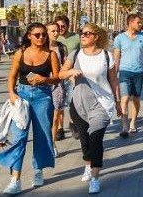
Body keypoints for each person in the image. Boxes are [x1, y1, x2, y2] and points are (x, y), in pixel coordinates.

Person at [0, 22, 60, 195]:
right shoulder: (20, 53)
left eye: (44, 34)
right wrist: (12, 94)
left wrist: (44, 79)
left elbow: (57, 78)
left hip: (42, 97)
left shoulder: (51, 54)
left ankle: (38, 170)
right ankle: (15, 179)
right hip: (21, 97)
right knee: (19, 138)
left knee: (42, 135)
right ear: (29, 36)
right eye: (37, 35)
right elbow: (12, 76)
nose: (42, 37)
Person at [59, 23, 119, 194]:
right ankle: (87, 163)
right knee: (84, 140)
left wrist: (118, 102)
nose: (82, 36)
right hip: (78, 104)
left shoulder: (107, 56)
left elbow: (113, 80)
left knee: (95, 139)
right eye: (81, 33)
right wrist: (70, 72)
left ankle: (95, 177)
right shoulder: (75, 54)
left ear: (96, 36)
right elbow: (60, 73)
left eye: (86, 33)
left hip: (102, 105)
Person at [113, 14, 143, 138]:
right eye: (138, 22)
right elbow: (116, 56)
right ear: (130, 23)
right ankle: (124, 126)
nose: (141, 25)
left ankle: (133, 122)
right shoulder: (119, 38)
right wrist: (114, 72)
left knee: (136, 99)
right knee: (124, 98)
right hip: (124, 72)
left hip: (139, 72)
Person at [55, 16, 81, 139]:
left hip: (72, 75)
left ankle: (73, 123)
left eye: (63, 26)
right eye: (58, 26)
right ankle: (60, 128)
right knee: (59, 103)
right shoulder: (54, 38)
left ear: (68, 25)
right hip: (57, 75)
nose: (60, 28)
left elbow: (82, 54)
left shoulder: (76, 38)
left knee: (72, 101)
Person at [46, 22, 68, 155]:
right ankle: (46, 142)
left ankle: (52, 144)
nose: (56, 33)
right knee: (45, 118)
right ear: (47, 32)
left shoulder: (61, 47)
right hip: (42, 85)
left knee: (55, 117)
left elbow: (65, 65)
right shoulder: (40, 47)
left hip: (58, 85)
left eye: (57, 30)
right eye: (52, 31)